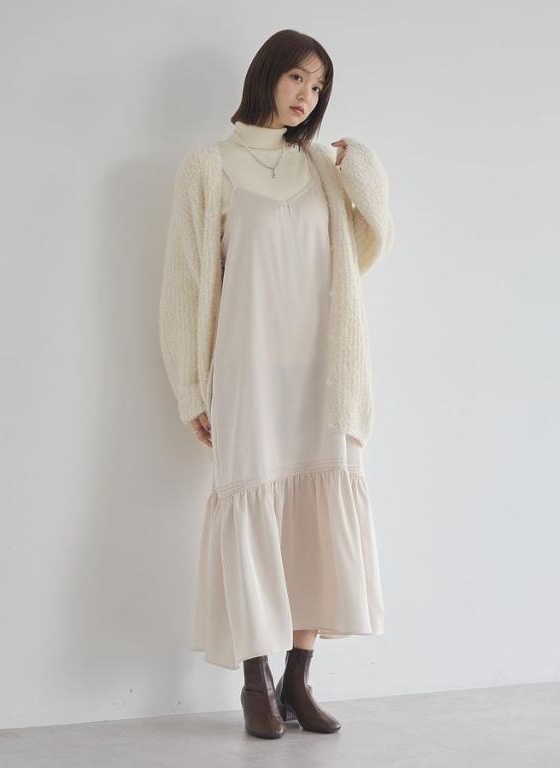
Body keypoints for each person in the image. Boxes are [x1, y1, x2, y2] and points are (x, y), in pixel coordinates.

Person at [159, 29, 394, 739]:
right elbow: (185, 284)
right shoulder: (209, 166)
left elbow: (365, 247)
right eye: (297, 77)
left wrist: (363, 168)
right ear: (267, 75)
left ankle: (298, 679)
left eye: (318, 86)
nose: (306, 95)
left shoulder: (320, 166)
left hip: (321, 368)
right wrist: (192, 387)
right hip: (248, 367)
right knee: (252, 511)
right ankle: (255, 680)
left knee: (313, 524)